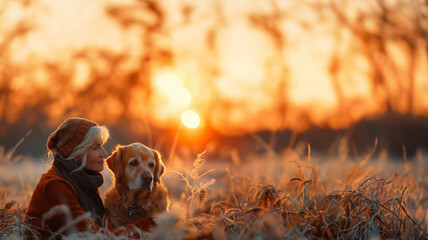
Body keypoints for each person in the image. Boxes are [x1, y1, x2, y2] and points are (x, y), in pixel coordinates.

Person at [25, 117, 154, 239]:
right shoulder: (56, 186)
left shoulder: (82, 181)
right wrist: (149, 226)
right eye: (96, 148)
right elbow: (94, 236)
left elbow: (102, 230)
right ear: (76, 153)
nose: (104, 153)